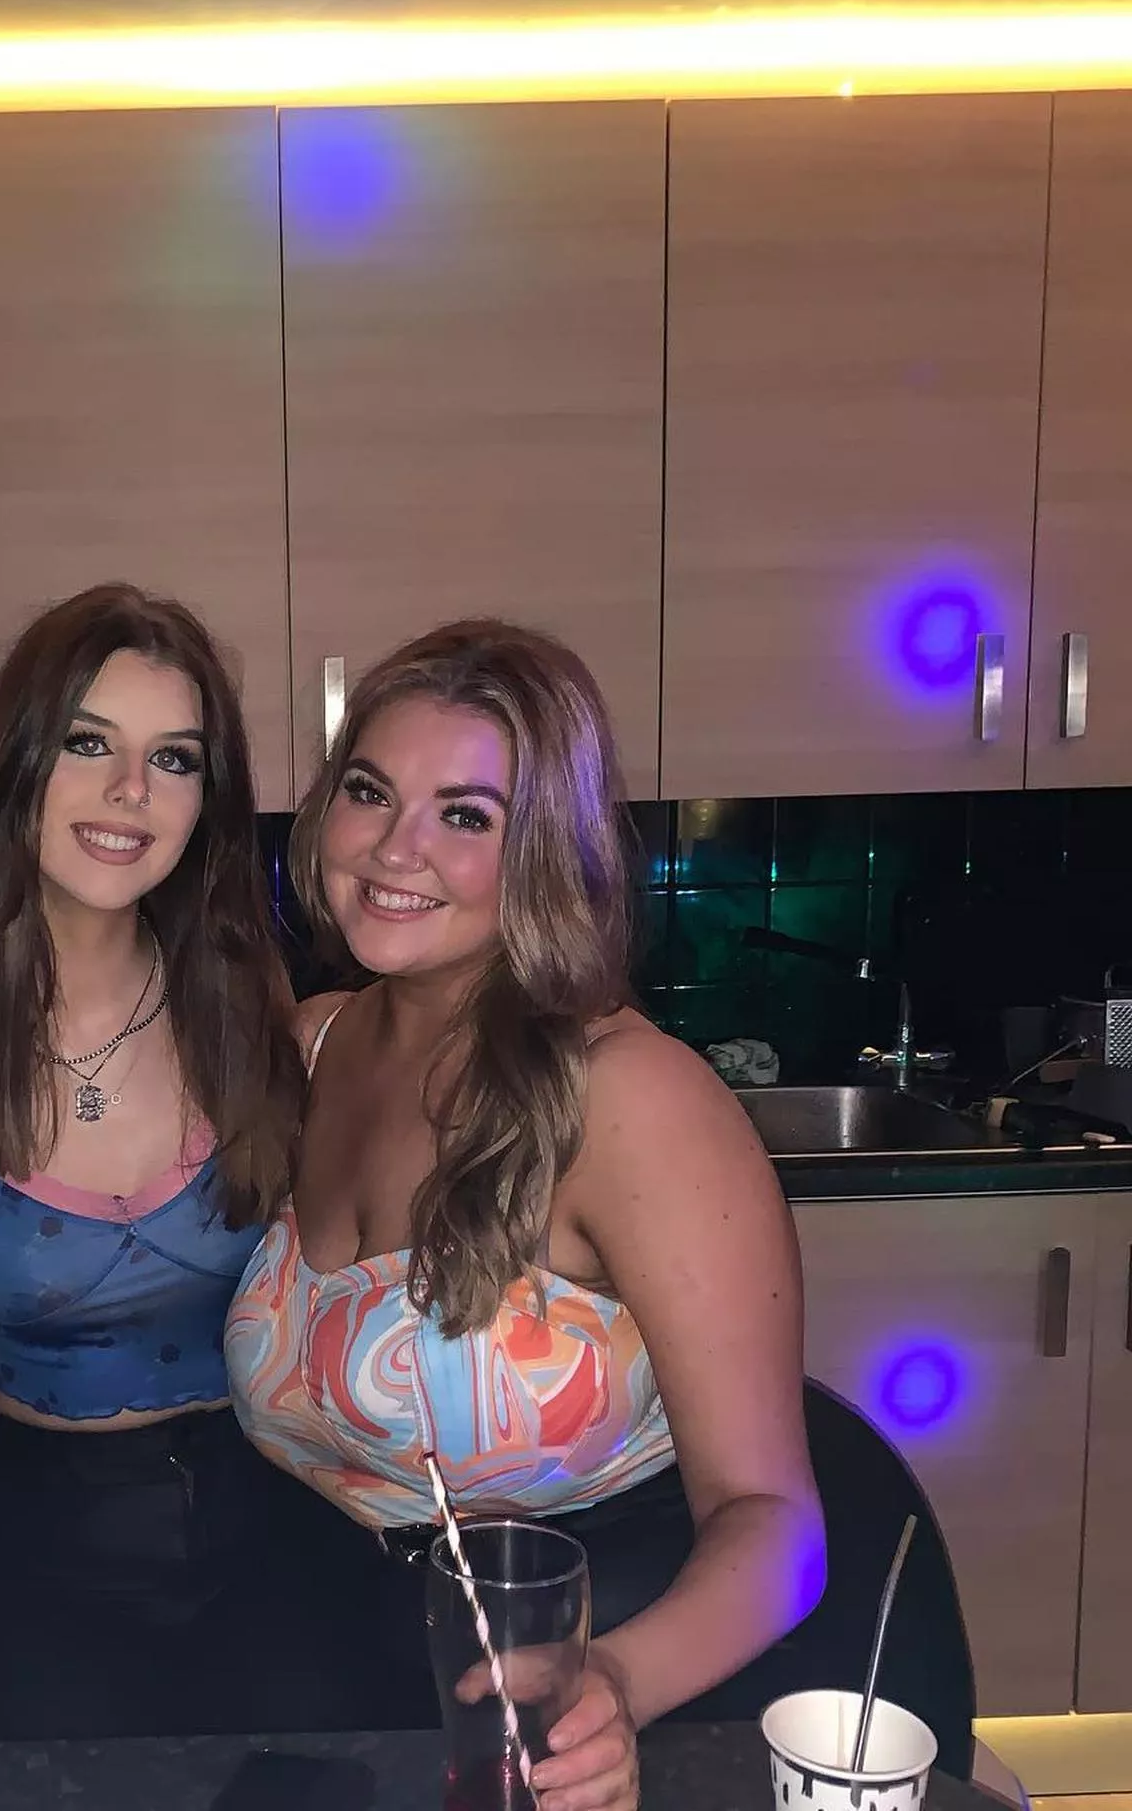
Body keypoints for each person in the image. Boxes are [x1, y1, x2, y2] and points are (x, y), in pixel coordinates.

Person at [226, 620, 976, 1810]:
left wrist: (614, 1682)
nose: (396, 848)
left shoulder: (627, 1098)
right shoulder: (314, 1046)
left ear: (545, 851)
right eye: (370, 791)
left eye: (466, 814)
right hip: (352, 1672)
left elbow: (774, 1524)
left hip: (606, 1691)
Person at [0, 583, 383, 1739]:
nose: (132, 790)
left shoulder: (256, 1010)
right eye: (88, 743)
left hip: (279, 1520)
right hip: (36, 1548)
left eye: (174, 758)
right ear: (19, 762)